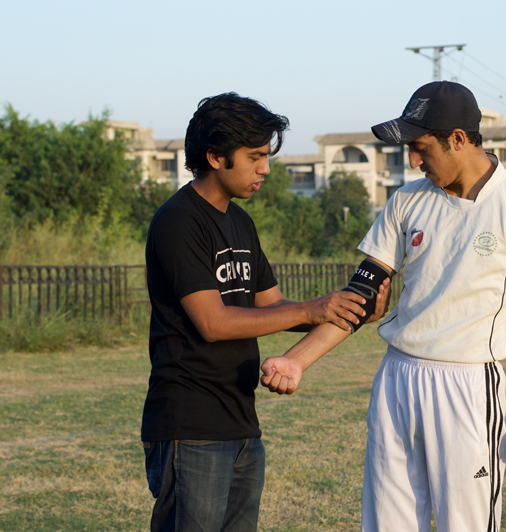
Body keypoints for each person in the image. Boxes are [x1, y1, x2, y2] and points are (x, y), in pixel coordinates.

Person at [261, 82, 506, 532]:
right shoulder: (406, 200)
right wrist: (296, 361)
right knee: (388, 523)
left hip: (467, 384)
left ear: (459, 139)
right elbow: (361, 296)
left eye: (422, 148)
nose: (413, 161)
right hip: (397, 379)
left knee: (464, 524)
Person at [141, 92, 389, 532]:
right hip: (189, 424)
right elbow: (214, 323)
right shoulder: (179, 221)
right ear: (216, 156)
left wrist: (346, 312)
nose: (265, 169)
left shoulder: (239, 221)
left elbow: (274, 308)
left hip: (240, 420)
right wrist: (314, 310)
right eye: (255, 157)